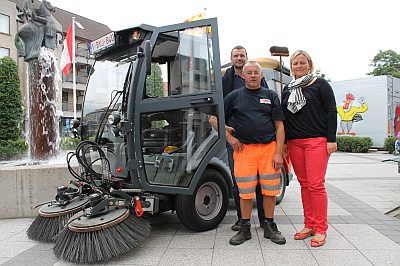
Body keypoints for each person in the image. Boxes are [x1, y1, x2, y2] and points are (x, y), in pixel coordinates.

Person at [224, 61, 286, 245]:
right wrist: (230, 138)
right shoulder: (234, 96)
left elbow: (280, 126)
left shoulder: (271, 95)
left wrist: (278, 153)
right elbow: (214, 119)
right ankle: (244, 229)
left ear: (261, 76)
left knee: (270, 191)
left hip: (269, 150)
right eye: (249, 72)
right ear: (242, 76)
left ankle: (269, 226)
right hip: (244, 151)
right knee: (244, 192)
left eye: (256, 73)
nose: (252, 75)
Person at [281, 50, 337, 248]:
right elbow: (285, 117)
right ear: (292, 66)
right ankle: (309, 224)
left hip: (317, 141)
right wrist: (286, 142)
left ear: (309, 64)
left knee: (316, 184)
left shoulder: (320, 84)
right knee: (304, 185)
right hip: (295, 142)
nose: (298, 66)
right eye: (295, 63)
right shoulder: (288, 88)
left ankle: (321, 228)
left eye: (302, 63)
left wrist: (331, 139)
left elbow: (331, 110)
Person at [222, 45, 269, 231]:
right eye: (236, 55)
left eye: (242, 55)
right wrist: (227, 133)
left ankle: (265, 219)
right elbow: (219, 108)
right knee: (239, 181)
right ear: (232, 58)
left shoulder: (257, 78)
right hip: (235, 139)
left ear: (247, 57)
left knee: (260, 181)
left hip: (258, 141)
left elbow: (268, 103)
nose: (239, 58)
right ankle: (243, 220)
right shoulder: (225, 79)